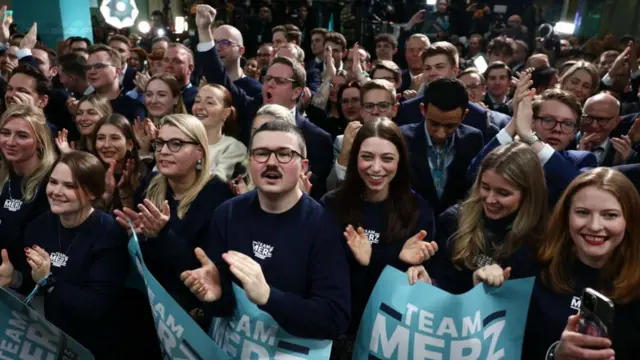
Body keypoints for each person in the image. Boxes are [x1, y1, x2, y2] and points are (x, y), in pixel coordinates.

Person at [181, 120, 350, 339]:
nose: (271, 162)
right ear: (250, 161)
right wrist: (215, 296)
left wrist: (270, 297)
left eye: (284, 154)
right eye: (261, 153)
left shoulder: (323, 226)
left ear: (304, 166)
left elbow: (334, 319)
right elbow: (222, 308)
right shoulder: (227, 213)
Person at [321, 118, 435, 357]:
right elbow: (325, 273)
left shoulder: (418, 210)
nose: (375, 168)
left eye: (387, 158)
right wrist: (395, 256)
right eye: (367, 157)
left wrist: (373, 259)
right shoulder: (332, 204)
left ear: (400, 161)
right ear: (355, 159)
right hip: (341, 333)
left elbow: (421, 286)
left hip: (394, 335)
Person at [1, 151, 130, 358]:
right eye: (53, 182)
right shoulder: (39, 226)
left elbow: (95, 307)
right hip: (51, 339)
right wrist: (15, 278)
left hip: (96, 346)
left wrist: (48, 281)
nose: (56, 192)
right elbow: (34, 282)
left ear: (93, 192)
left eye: (70, 186)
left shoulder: (109, 234)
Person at [115, 114, 233, 323]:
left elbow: (204, 271)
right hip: (146, 300)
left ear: (199, 152)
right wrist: (137, 236)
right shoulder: (152, 183)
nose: (164, 151)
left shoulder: (219, 197)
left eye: (176, 144)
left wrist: (163, 234)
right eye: (160, 143)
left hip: (189, 312)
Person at [522, 168, 640, 359]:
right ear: (566, 215)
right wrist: (555, 355)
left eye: (610, 215)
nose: (594, 226)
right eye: (582, 212)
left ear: (629, 220)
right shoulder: (532, 268)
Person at [421, 142, 548, 294]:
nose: (489, 199)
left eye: (503, 193)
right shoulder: (454, 220)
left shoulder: (541, 239)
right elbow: (439, 282)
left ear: (528, 195)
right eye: (485, 187)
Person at [402, 77, 484, 215]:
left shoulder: (473, 139)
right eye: (434, 124)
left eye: (450, 126)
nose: (440, 133)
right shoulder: (402, 138)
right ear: (423, 110)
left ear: (464, 115)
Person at [0, 105, 57, 289]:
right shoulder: (3, 175)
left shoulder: (52, 184)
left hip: (31, 292)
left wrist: (15, 278)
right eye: (5, 133)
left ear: (40, 142)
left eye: (22, 136)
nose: (10, 141)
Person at [192, 84, 247, 181]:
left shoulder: (232, 147)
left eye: (209, 102)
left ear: (226, 113)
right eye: (197, 101)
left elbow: (217, 180)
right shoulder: (181, 141)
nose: (200, 107)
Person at [92, 114, 145, 211]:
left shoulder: (144, 174)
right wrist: (107, 196)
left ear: (129, 144)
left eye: (115, 138)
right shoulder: (89, 174)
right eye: (100, 138)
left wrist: (125, 192)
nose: (106, 144)